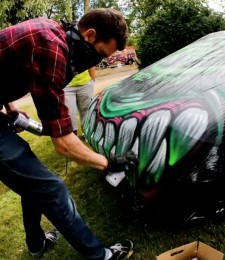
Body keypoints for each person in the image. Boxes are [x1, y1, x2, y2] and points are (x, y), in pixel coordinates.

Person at [0, 8, 134, 260]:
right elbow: (63, 143)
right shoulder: (50, 47)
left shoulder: (51, 30)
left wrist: (10, 105)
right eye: (100, 55)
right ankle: (101, 257)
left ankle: (36, 244)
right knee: (51, 187)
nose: (95, 63)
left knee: (34, 183)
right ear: (91, 35)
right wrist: (108, 163)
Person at [64, 67, 96, 138]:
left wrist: (92, 81)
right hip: (66, 85)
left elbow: (91, 63)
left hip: (85, 83)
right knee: (69, 114)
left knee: (86, 111)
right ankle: (73, 137)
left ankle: (86, 134)